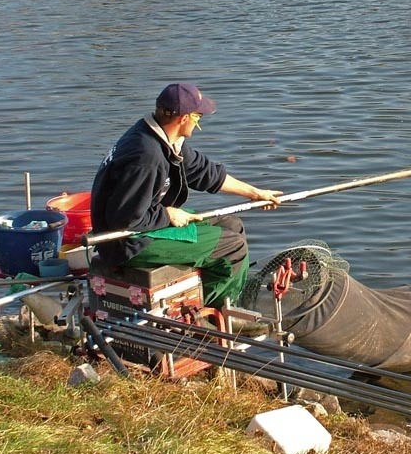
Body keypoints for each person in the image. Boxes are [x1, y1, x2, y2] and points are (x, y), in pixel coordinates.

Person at [90, 82, 283, 309]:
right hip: (127, 244)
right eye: (198, 116)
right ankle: (215, 312)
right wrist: (167, 214)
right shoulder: (146, 156)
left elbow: (206, 173)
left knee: (233, 226)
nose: (199, 122)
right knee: (233, 246)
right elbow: (125, 220)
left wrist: (255, 193)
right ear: (183, 118)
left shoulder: (164, 138)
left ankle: (214, 293)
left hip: (144, 224)